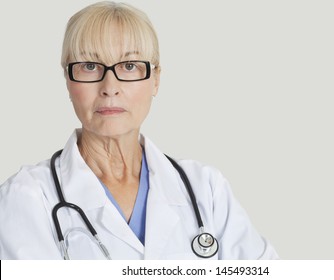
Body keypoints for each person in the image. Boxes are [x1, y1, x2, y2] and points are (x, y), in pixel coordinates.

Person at [0, 1, 278, 260]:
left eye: (129, 66)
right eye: (89, 66)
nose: (110, 86)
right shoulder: (27, 197)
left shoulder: (206, 189)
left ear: (155, 80)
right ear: (68, 81)